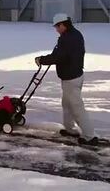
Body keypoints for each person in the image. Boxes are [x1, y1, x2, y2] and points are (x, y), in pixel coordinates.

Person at [35, 14, 98, 146]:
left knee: (77, 107)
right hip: (75, 75)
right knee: (67, 104)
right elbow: (60, 54)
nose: (56, 30)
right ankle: (70, 129)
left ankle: (89, 136)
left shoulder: (68, 39)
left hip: (71, 78)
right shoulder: (74, 34)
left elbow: (59, 56)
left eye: (57, 27)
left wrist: (42, 60)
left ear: (63, 24)